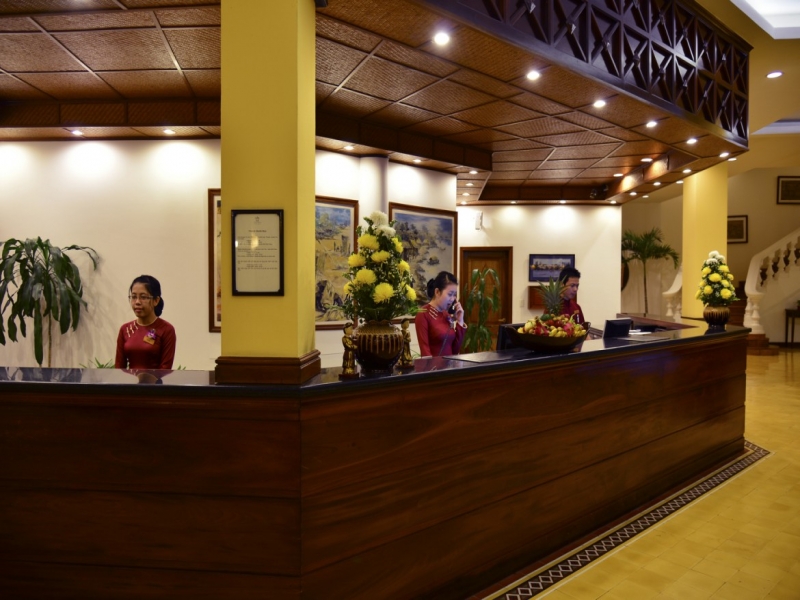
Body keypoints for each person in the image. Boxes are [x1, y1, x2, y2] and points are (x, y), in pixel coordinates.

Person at [115, 275, 176, 369]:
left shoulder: (166, 329)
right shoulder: (125, 329)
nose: (137, 302)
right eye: (133, 297)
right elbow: (119, 367)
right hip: (129, 379)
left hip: (156, 379)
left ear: (156, 300)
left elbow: (165, 369)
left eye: (143, 297)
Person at [414, 271, 466, 357]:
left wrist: (460, 321)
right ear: (437, 292)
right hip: (433, 365)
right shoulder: (423, 314)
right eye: (450, 294)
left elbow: (455, 351)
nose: (452, 299)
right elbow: (425, 351)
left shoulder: (446, 315)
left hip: (450, 364)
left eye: (454, 295)